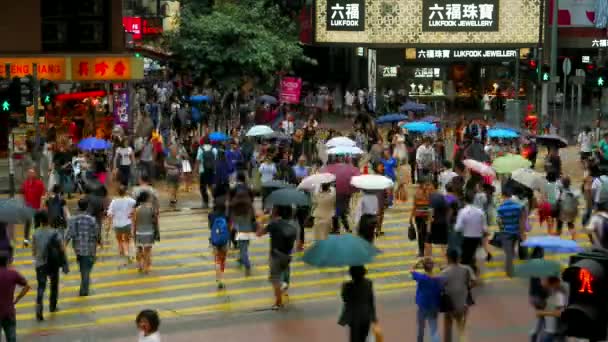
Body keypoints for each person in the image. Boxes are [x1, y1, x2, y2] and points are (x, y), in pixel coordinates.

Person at [256, 205, 297, 310]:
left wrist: (260, 221)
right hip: (287, 256)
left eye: (272, 210)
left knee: (275, 280)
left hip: (276, 256)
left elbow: (259, 233)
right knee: (281, 276)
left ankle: (278, 302)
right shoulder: (289, 225)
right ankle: (284, 288)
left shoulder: (273, 224)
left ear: (275, 213)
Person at [31, 210, 66, 321]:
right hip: (52, 263)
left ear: (40, 221)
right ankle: (52, 307)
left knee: (41, 287)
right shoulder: (55, 232)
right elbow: (62, 248)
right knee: (54, 285)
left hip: (40, 264)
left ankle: (39, 310)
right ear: (49, 220)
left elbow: (34, 251)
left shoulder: (35, 233)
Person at [65, 198, 100, 296]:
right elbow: (96, 233)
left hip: (78, 249)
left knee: (84, 268)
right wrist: (99, 242)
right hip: (90, 248)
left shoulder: (73, 219)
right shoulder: (92, 219)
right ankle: (84, 291)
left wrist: (64, 246)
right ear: (87, 207)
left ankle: (84, 288)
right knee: (86, 269)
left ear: (78, 207)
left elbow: (69, 234)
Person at [440, 249, 476, 342]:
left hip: (450, 305)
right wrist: (466, 288)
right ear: (459, 258)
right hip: (463, 304)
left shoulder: (444, 272)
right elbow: (473, 282)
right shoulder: (466, 269)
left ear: (448, 258)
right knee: (461, 328)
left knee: (448, 326)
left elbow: (440, 287)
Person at [338, 266, 378, 342]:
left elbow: (345, 299)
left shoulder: (348, 286)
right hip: (365, 316)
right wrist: (374, 318)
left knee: (354, 338)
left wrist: (344, 286)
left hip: (354, 317)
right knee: (363, 337)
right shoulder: (369, 283)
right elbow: (371, 301)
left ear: (351, 274)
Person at [454, 191, 488, 275]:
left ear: (465, 201)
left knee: (465, 259)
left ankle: (468, 276)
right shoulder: (480, 212)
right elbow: (484, 228)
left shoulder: (463, 211)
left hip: (466, 238)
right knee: (475, 256)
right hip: (478, 239)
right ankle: (476, 275)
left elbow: (458, 228)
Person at [496, 190, 527, 277]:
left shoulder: (500, 208)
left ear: (503, 196)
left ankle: (510, 272)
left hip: (506, 232)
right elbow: (523, 219)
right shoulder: (518, 206)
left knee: (508, 253)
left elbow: (499, 221)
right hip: (516, 232)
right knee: (512, 248)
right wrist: (522, 232)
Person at [0, 255, 30, 342]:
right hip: (9, 312)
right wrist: (18, 298)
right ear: (7, 262)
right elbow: (27, 286)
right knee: (11, 338)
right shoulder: (13, 274)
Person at [411, 258, 441, 342]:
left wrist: (418, 262)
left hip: (423, 306)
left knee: (421, 328)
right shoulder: (438, 279)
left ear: (424, 268)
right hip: (434, 306)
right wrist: (436, 263)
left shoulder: (421, 278)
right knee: (433, 329)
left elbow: (412, 270)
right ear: (432, 267)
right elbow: (443, 269)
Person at [229, 184, 256, 276]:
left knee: (243, 249)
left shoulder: (234, 205)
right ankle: (241, 259)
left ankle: (247, 265)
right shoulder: (249, 205)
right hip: (248, 230)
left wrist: (231, 225)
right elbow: (253, 218)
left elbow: (232, 219)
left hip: (240, 231)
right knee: (245, 247)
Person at [107, 186, 137, 266]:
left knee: (119, 240)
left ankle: (122, 253)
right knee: (127, 240)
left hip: (117, 225)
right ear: (125, 192)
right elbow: (137, 204)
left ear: (117, 192)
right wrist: (132, 213)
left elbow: (109, 214)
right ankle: (127, 253)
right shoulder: (129, 200)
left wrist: (109, 225)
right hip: (127, 224)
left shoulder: (113, 202)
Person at [133, 192, 158, 274]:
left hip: (139, 232)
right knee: (147, 251)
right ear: (147, 199)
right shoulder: (151, 208)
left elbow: (135, 222)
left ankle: (140, 265)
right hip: (149, 232)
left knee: (139, 249)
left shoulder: (137, 209)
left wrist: (134, 233)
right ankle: (146, 268)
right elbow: (155, 221)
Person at [536, 277, 567, 342]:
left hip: (554, 332)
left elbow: (560, 313)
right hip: (549, 329)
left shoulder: (559, 295)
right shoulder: (552, 293)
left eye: (545, 281)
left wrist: (543, 313)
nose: (543, 282)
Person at [21, 168, 45, 246]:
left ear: (35, 174)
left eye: (32, 173)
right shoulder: (25, 184)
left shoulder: (39, 183)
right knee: (27, 223)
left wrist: (41, 206)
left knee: (37, 224)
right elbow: (23, 195)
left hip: (37, 207)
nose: (31, 174)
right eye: (29, 173)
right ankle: (26, 239)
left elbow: (43, 195)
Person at [411, 177, 433, 257]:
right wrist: (411, 218)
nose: (426, 186)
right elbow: (414, 206)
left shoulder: (429, 192)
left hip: (426, 216)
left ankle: (424, 251)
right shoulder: (418, 193)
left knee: (425, 234)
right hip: (419, 216)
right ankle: (421, 251)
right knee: (421, 234)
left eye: (427, 184)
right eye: (425, 184)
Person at [196, 138, 217, 209]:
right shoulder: (214, 149)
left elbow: (198, 160)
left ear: (203, 142)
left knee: (202, 187)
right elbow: (216, 160)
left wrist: (195, 171)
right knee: (211, 186)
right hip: (212, 171)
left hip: (203, 171)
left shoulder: (200, 149)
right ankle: (215, 199)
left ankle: (206, 201)